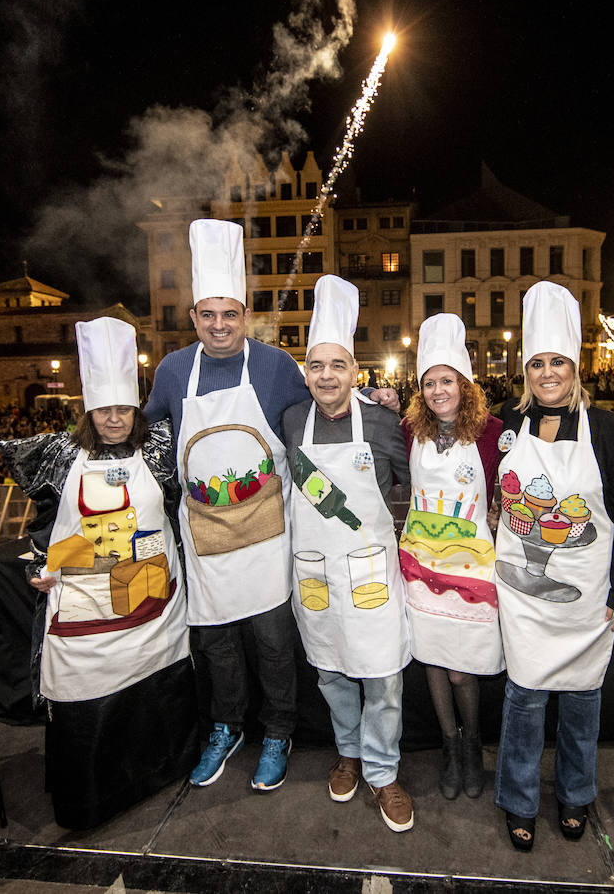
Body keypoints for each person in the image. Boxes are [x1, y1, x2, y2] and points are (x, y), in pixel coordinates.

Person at [0, 316, 196, 829]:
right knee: (87, 694)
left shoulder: (158, 450)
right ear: (88, 410)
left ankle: (161, 771)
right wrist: (42, 566)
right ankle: (92, 800)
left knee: (153, 684)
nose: (114, 419)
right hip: (86, 609)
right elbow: (46, 526)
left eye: (123, 409)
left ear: (136, 409)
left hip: (153, 603)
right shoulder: (61, 456)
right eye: (104, 410)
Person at [143, 219, 305, 792]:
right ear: (193, 319)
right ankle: (227, 726)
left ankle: (279, 730)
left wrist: (371, 405)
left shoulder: (276, 367)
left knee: (272, 642)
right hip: (205, 534)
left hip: (267, 534)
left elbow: (312, 432)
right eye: (207, 315)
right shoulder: (171, 372)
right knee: (217, 644)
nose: (218, 326)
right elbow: (146, 443)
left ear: (245, 315)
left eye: (229, 315)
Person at [492, 280, 614, 852]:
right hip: (522, 594)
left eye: (558, 362)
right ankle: (519, 800)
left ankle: (577, 794)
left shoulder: (611, 431)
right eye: (537, 363)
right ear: (525, 370)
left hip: (587, 595)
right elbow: (446, 418)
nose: (547, 373)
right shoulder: (508, 421)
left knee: (583, 699)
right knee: (524, 699)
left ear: (577, 367)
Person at [282, 275, 414, 832]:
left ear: (355, 373)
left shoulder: (384, 423)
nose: (327, 376)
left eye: (338, 366)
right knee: (331, 673)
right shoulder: (291, 420)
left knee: (382, 677)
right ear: (306, 373)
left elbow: (412, 487)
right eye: (317, 366)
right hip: (315, 574)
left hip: (370, 572)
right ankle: (349, 754)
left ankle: (384, 772)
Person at [398, 313, 503, 800]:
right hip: (420, 561)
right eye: (430, 383)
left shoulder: (493, 432)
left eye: (448, 380)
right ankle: (449, 746)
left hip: (471, 565)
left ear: (464, 384)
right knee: (434, 661)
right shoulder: (408, 430)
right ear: (420, 390)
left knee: (462, 667)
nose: (439, 390)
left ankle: (473, 747)